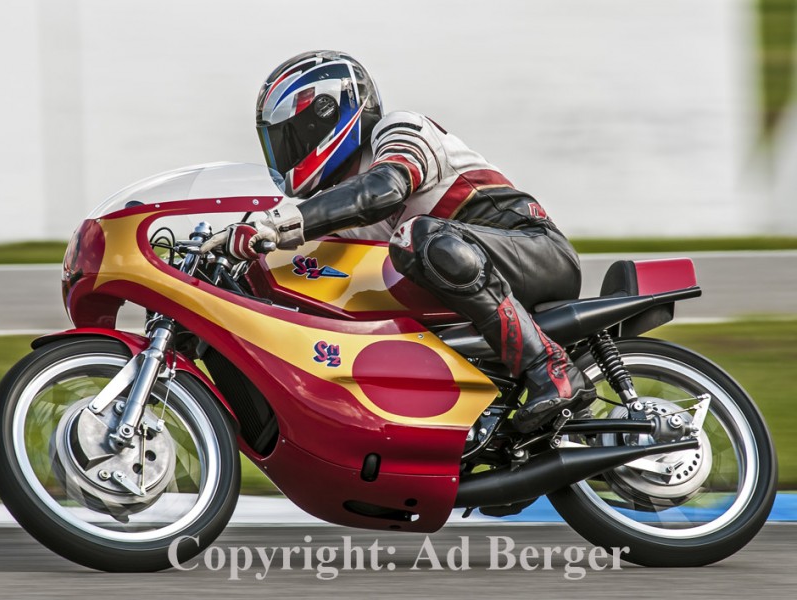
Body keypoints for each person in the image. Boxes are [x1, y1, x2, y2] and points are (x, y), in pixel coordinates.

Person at [221, 50, 595, 433]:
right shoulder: (337, 216)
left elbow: (383, 190)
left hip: (534, 250)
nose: (288, 150)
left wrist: (277, 224)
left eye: (293, 136)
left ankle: (550, 368)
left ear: (328, 113)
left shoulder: (400, 130)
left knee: (417, 236)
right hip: (463, 289)